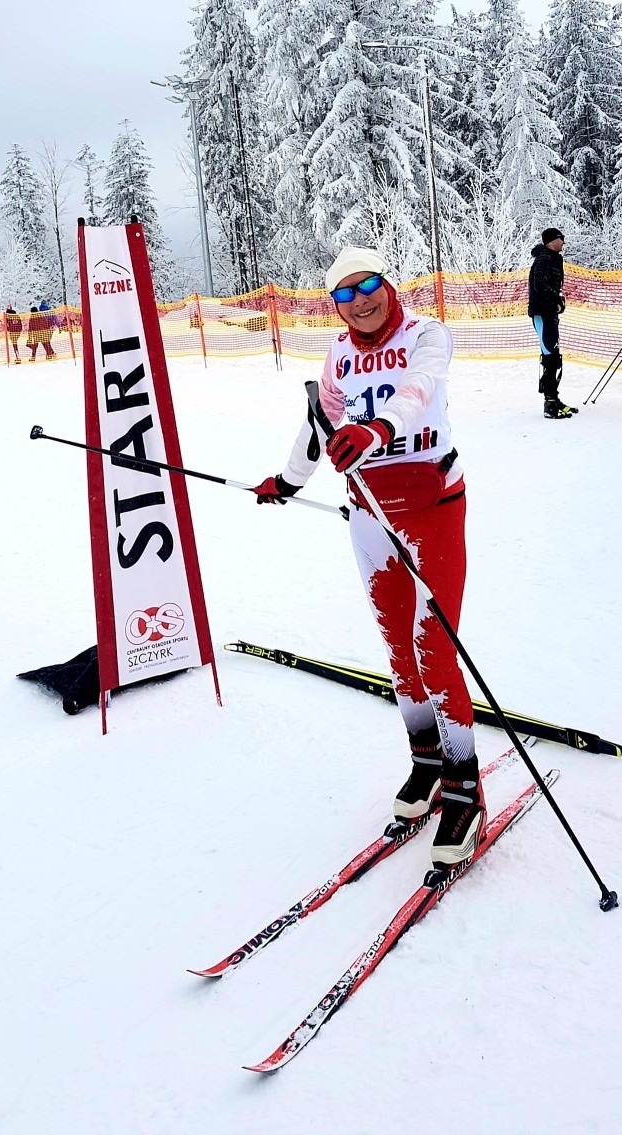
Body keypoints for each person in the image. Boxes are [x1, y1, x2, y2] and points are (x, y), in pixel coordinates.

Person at [252, 246, 484, 869]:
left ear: (388, 282)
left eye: (370, 285)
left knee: (434, 646)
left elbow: (417, 389)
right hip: (369, 513)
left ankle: (466, 784)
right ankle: (429, 760)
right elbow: (321, 421)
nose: (361, 302)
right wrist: (289, 479)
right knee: (399, 649)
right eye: (345, 295)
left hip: (432, 505)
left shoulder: (424, 334)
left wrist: (378, 429)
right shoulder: (337, 354)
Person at [528, 227, 578, 419]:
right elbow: (539, 285)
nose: (564, 242)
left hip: (549, 313)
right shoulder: (544, 259)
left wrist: (558, 300)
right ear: (551, 241)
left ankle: (554, 398)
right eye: (561, 239)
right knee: (550, 356)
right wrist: (555, 300)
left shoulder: (552, 258)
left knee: (554, 355)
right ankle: (549, 403)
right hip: (542, 313)